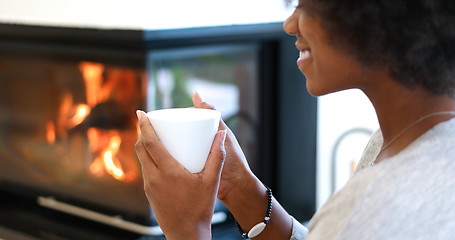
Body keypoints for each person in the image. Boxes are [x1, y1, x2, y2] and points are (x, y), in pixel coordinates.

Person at [135, 0, 455, 239]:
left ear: (377, 15)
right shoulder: (416, 140)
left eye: (306, 6)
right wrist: (240, 190)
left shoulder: (374, 207)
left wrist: (188, 229)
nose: (290, 24)